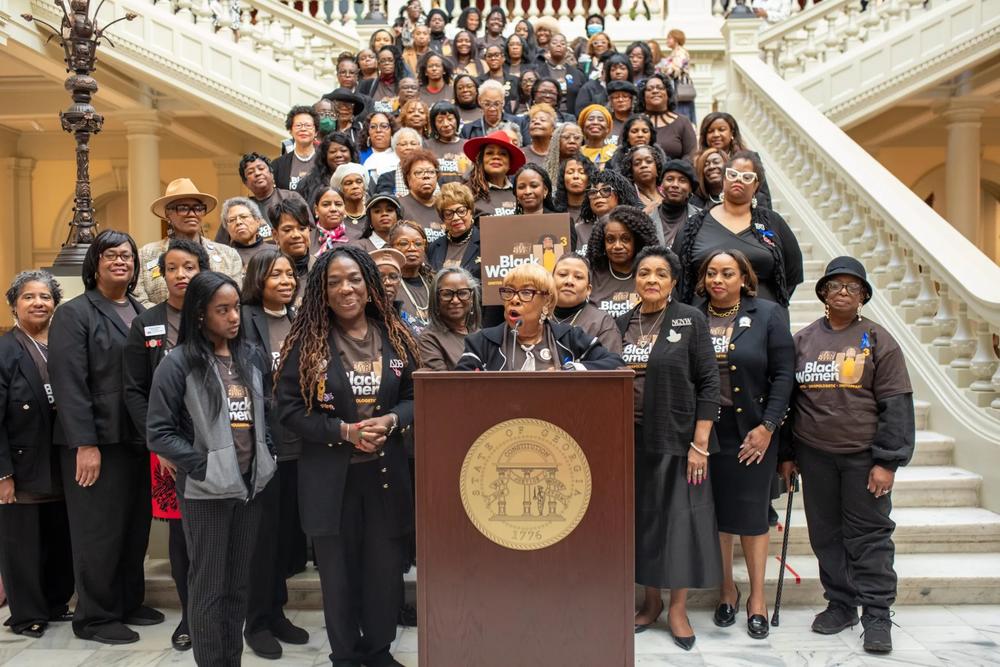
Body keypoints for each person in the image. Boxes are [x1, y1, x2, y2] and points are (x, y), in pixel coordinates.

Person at [275, 245, 419, 667]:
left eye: (354, 278)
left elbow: (415, 395)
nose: (345, 288)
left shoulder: (396, 335)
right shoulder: (305, 340)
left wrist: (392, 420)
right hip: (331, 482)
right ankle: (345, 656)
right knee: (338, 577)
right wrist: (343, 431)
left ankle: (377, 652)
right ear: (321, 290)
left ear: (370, 285)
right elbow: (286, 410)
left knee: (383, 573)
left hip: (385, 476)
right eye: (334, 281)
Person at [780, 256, 914, 654]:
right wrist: (787, 454)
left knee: (869, 537)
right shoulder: (802, 340)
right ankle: (841, 604)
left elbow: (896, 404)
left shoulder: (878, 339)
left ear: (863, 297)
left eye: (852, 287)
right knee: (825, 535)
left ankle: (876, 613)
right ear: (822, 292)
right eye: (835, 285)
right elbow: (788, 403)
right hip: (814, 455)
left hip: (862, 458)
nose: (842, 291)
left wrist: (887, 461)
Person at [146, 271, 276, 665]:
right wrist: (202, 466)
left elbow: (264, 415)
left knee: (237, 587)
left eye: (236, 307)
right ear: (200, 314)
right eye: (223, 310)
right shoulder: (178, 362)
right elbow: (158, 432)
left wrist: (265, 453)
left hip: (248, 490)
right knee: (207, 589)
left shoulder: (249, 356)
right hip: (205, 495)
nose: (234, 317)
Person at [48, 230, 164, 645]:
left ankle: (128, 601)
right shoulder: (74, 313)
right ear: (94, 262)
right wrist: (85, 444)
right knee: (99, 532)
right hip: (96, 441)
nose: (121, 261)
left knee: (134, 527)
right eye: (111, 255)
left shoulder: (142, 311)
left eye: (128, 255)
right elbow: (69, 384)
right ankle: (95, 617)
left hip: (138, 437)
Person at [617, 245, 721, 650]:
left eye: (661, 273)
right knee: (643, 522)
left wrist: (700, 444)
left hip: (679, 441)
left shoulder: (689, 319)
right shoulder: (621, 322)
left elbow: (710, 383)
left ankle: (678, 608)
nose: (652, 280)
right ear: (635, 279)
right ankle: (651, 602)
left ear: (674, 281)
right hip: (630, 440)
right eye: (644, 273)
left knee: (678, 524)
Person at [692, 250, 794, 640]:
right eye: (712, 273)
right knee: (716, 515)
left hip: (753, 432)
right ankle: (725, 591)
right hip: (706, 432)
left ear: (743, 278)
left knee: (752, 518)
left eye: (728, 273)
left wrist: (768, 427)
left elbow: (784, 375)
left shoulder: (767, 314)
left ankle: (756, 598)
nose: (718, 279)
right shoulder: (692, 315)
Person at [123, 239, 209, 652]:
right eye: (172, 268)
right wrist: (160, 443)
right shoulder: (147, 322)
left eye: (189, 266)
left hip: (221, 445)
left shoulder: (219, 314)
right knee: (183, 536)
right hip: (169, 450)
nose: (181, 275)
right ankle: (190, 616)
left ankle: (220, 611)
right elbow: (134, 391)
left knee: (220, 531)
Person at [238, 249, 309, 659]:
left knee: (285, 536)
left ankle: (277, 612)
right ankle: (257, 621)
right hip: (262, 442)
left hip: (299, 442)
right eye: (275, 274)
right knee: (260, 539)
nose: (285, 280)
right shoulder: (244, 317)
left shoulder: (298, 317)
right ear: (258, 278)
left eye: (289, 274)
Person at [0, 271, 74, 640]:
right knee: (22, 544)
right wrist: (2, 474)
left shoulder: (63, 344)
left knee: (58, 537)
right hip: (21, 464)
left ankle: (56, 603)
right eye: (28, 297)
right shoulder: (6, 350)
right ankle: (27, 613)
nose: (38, 303)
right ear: (14, 304)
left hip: (60, 461)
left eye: (45, 296)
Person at [674, 151, 803, 308]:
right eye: (732, 174)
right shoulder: (694, 225)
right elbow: (676, 273)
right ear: (724, 179)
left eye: (747, 177)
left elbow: (792, 274)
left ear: (756, 185)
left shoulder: (773, 222)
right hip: (705, 320)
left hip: (764, 321)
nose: (738, 180)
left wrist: (771, 306)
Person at [455, 263, 624, 371]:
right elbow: (457, 387)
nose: (514, 299)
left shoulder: (569, 338)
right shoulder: (481, 342)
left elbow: (615, 363)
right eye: (509, 291)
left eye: (526, 292)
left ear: (547, 301)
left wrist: (570, 371)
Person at [134, 178, 242, 308]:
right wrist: (174, 318)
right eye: (183, 208)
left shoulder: (228, 255)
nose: (192, 214)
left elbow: (235, 300)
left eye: (198, 208)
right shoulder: (145, 255)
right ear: (168, 213)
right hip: (165, 325)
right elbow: (139, 301)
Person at [586, 205, 660, 318]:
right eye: (610, 239)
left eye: (625, 239)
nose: (617, 246)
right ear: (602, 242)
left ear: (637, 240)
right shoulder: (591, 274)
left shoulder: (652, 275)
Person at [551, 254, 622, 355]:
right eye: (562, 274)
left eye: (578, 277)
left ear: (588, 290)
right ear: (550, 281)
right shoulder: (537, 316)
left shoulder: (602, 323)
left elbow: (612, 366)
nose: (569, 281)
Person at [699, 112, 772, 209]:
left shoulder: (750, 159)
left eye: (721, 130)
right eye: (710, 131)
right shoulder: (699, 162)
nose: (716, 134)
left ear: (732, 133)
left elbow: (763, 194)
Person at [419, 268, 483, 371]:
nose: (455, 300)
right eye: (447, 294)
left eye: (462, 293)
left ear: (471, 299)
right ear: (436, 300)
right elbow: (443, 383)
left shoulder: (481, 336)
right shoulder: (430, 338)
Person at [574, 168, 643, 255]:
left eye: (606, 190)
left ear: (620, 195)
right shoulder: (579, 229)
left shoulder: (634, 226)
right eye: (593, 192)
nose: (598, 195)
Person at [463, 129, 525, 219]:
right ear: (481, 160)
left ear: (510, 163)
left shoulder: (520, 193)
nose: (496, 157)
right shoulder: (465, 193)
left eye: (503, 154)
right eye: (489, 153)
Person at [239, 153, 308, 229]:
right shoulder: (242, 208)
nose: (257, 173)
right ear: (245, 183)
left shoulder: (292, 197)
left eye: (261, 168)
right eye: (250, 172)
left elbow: (310, 229)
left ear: (272, 174)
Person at [427, 182, 481, 280]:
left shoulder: (485, 242)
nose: (455, 218)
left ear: (471, 212)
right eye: (448, 214)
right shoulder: (434, 247)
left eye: (461, 211)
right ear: (442, 218)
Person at [636, 74, 696, 160]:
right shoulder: (633, 122)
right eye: (650, 89)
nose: (655, 91)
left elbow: (691, 154)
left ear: (668, 93)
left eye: (660, 88)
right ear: (643, 96)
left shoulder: (683, 122)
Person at [297, 131, 362, 209]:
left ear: (351, 154)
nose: (338, 155)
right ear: (325, 157)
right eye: (333, 152)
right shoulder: (308, 184)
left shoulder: (362, 179)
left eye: (343, 151)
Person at [390, 221, 435, 333]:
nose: (412, 248)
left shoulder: (435, 283)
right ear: (391, 247)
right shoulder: (387, 286)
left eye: (418, 243)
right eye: (404, 243)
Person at [268, 196, 314, 300]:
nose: (296, 235)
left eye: (302, 228)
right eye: (288, 230)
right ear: (275, 235)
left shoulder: (323, 268)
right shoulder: (265, 271)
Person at [655, 157, 701, 247]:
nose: (675, 185)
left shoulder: (701, 218)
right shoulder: (647, 218)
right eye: (669, 179)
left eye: (682, 180)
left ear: (690, 189)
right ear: (661, 185)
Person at [397, 149, 444, 239]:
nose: (426, 176)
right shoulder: (399, 206)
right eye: (419, 172)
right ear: (408, 179)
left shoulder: (444, 205)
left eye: (431, 172)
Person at [460, 79, 526, 140]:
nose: (492, 109)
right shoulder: (468, 130)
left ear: (503, 101)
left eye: (496, 104)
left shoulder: (520, 123)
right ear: (479, 101)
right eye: (487, 104)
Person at [273, 106, 320, 191]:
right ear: (291, 131)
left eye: (308, 125)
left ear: (316, 132)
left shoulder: (325, 161)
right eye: (298, 125)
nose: (303, 129)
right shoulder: (278, 165)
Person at [536, 33, 585, 113]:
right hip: (545, 115)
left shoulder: (577, 73)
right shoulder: (538, 72)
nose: (558, 45)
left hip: (571, 117)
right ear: (548, 47)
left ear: (567, 49)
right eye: (554, 43)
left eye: (562, 43)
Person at [574, 53, 632, 117]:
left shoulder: (635, 92)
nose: (618, 72)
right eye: (613, 69)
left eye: (622, 68)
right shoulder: (597, 94)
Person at [373, 127, 424, 196]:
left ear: (420, 148)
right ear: (395, 149)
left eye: (413, 144)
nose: (409, 147)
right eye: (403, 144)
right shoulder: (386, 178)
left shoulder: (431, 174)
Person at [427, 102, 470, 183]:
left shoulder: (467, 145)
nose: (446, 124)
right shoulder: (427, 146)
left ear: (457, 120)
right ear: (434, 125)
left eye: (450, 119)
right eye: (440, 121)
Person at [220, 197, 268, 269]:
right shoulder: (222, 256)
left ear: (257, 221)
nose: (238, 222)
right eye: (232, 220)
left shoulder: (274, 251)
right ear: (227, 229)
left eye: (244, 217)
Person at [553, 153, 596, 229]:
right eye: (570, 172)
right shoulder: (553, 210)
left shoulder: (596, 211)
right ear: (562, 178)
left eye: (582, 172)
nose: (576, 176)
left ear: (589, 178)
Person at [623, 144, 667, 218]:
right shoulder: (626, 198)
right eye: (637, 163)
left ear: (657, 167)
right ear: (631, 171)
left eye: (649, 161)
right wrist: (644, 214)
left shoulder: (668, 191)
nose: (643, 165)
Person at [663, 29, 695, 123]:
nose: (667, 41)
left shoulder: (680, 52)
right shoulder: (674, 52)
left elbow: (676, 69)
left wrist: (666, 70)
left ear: (676, 39)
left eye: (669, 38)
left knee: (682, 110)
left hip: (680, 84)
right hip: (675, 84)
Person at [332, 162, 370, 240]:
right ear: (341, 189)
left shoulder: (372, 212)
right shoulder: (335, 216)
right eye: (348, 183)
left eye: (359, 182)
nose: (355, 186)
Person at [478, 43, 519, 114]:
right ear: (485, 59)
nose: (493, 58)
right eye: (489, 56)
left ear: (503, 58)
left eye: (496, 55)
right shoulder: (478, 81)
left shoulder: (515, 81)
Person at [312, 186, 350, 258]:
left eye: (338, 204)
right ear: (316, 210)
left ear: (345, 208)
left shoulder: (358, 237)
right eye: (326, 205)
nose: (333, 209)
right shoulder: (307, 238)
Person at [578, 104, 617, 169]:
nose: (595, 122)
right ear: (583, 127)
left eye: (601, 120)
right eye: (590, 119)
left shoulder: (616, 153)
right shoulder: (577, 154)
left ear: (607, 128)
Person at [361, 111, 398, 178]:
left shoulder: (400, 155)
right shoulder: (359, 156)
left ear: (392, 131)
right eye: (373, 127)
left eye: (384, 126)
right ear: (368, 132)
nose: (378, 130)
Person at [522, 103, 556, 167]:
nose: (536, 122)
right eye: (533, 121)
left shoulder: (560, 155)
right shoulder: (521, 154)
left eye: (542, 120)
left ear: (553, 130)